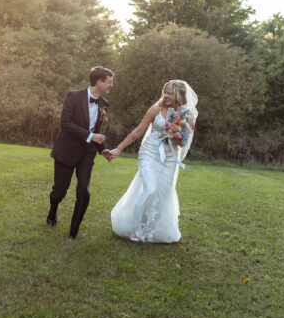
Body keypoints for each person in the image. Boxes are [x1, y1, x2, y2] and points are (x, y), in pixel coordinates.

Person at [107, 80, 198, 243]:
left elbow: (184, 143)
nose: (166, 95)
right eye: (165, 92)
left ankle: (150, 230)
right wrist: (118, 149)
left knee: (162, 193)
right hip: (149, 153)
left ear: (179, 96)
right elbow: (138, 131)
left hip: (169, 158)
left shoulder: (187, 116)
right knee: (150, 189)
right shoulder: (156, 109)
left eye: (170, 93)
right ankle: (133, 229)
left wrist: (177, 134)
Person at [47, 66, 114, 239]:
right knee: (59, 191)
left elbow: (97, 132)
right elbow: (66, 123)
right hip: (67, 150)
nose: (111, 86)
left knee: (83, 189)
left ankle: (73, 232)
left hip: (87, 154)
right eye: (109, 82)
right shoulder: (73, 96)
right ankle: (53, 210)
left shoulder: (104, 104)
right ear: (99, 82)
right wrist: (90, 135)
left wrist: (103, 149)